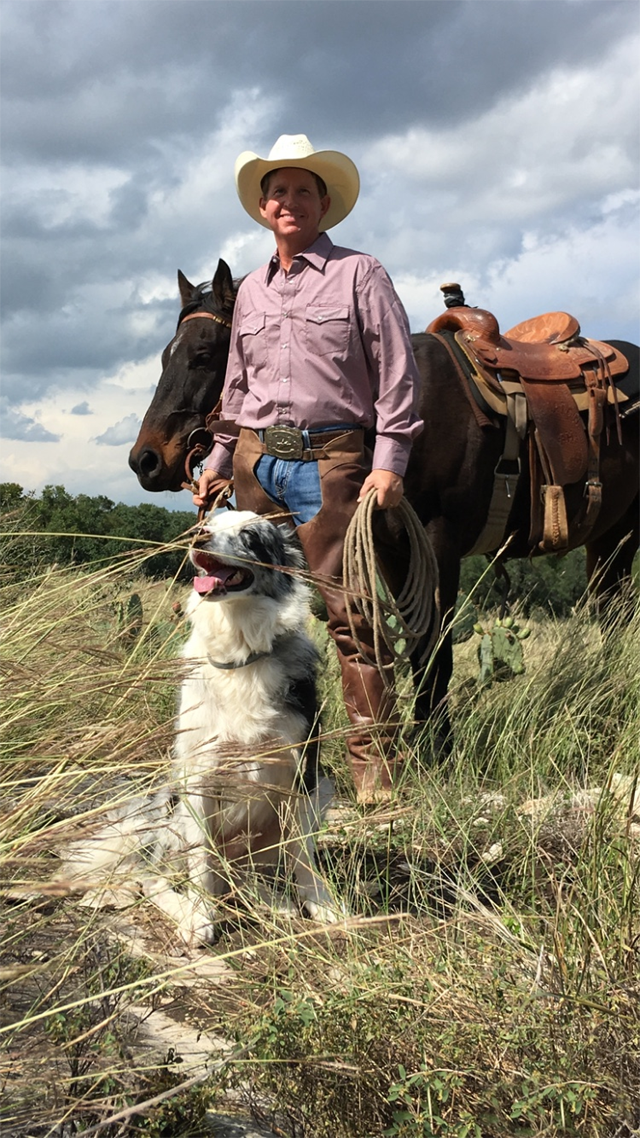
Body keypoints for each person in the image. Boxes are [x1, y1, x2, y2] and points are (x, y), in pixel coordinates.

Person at [194, 133, 423, 803]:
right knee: (251, 606)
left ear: (323, 202)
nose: (288, 201)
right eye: (277, 192)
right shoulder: (252, 293)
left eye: (301, 190)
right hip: (254, 461)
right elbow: (236, 389)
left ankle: (374, 776)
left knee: (351, 614)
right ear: (263, 208)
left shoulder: (362, 274)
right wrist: (215, 458)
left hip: (332, 461)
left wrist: (391, 460)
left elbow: (396, 372)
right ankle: (268, 763)